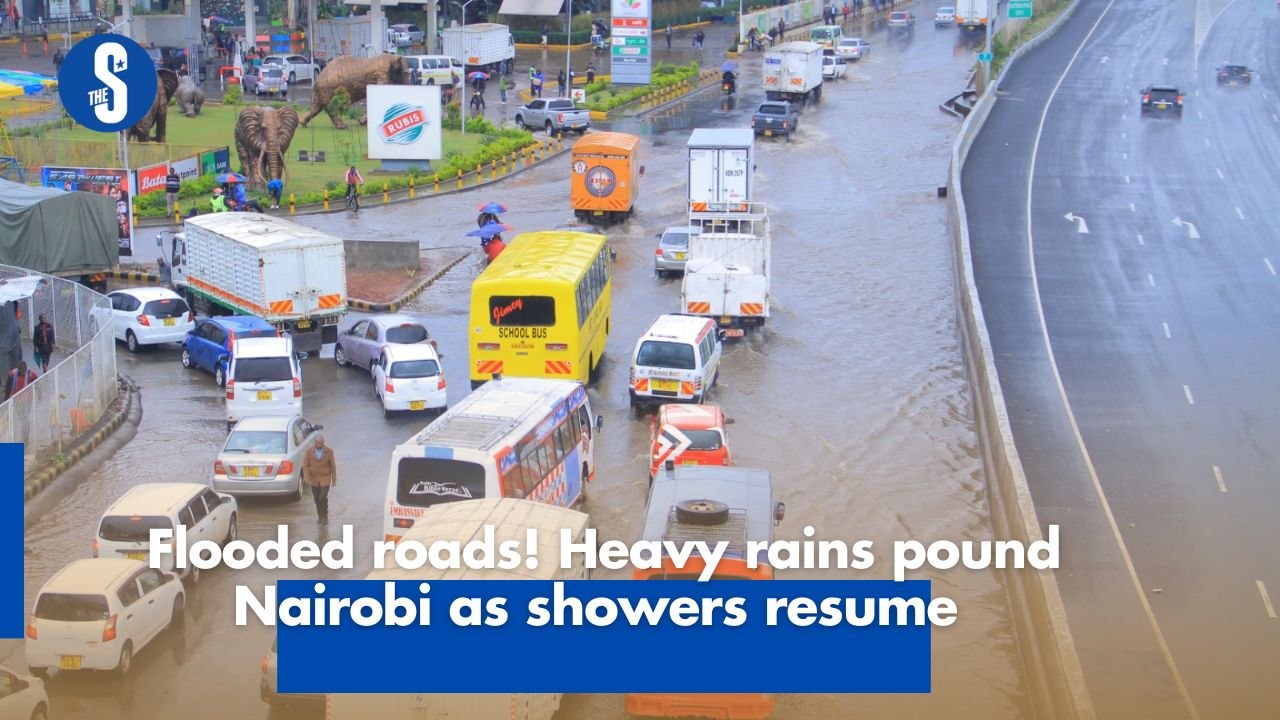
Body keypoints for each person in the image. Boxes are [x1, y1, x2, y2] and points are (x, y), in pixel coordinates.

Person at [302, 435, 337, 521]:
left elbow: (333, 466)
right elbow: (305, 465)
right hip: (314, 478)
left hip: (325, 477)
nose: (319, 445)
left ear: (323, 443)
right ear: (315, 443)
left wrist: (334, 479)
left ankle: (324, 515)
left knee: (323, 496)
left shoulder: (329, 451)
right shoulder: (309, 452)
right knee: (317, 498)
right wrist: (306, 477)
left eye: (320, 443)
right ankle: (320, 516)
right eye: (317, 443)